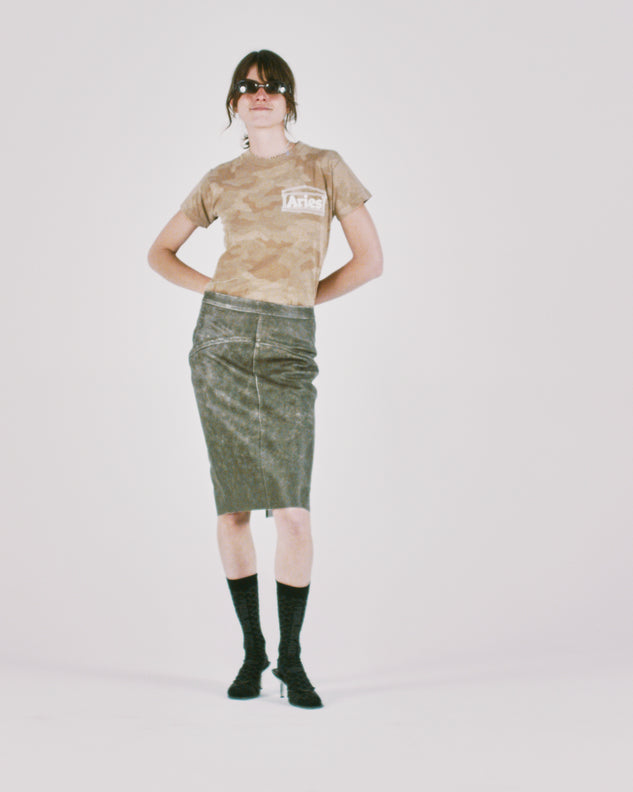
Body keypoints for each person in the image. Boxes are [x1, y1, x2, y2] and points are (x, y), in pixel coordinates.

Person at [147, 49, 383, 709]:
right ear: (234, 102)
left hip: (288, 345)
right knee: (233, 509)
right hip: (220, 343)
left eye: (273, 85)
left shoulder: (324, 167)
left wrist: (301, 301)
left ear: (289, 101)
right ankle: (253, 651)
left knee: (294, 515)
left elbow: (369, 260)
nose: (261, 94)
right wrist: (215, 291)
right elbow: (159, 251)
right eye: (248, 86)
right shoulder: (220, 178)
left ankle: (291, 658)